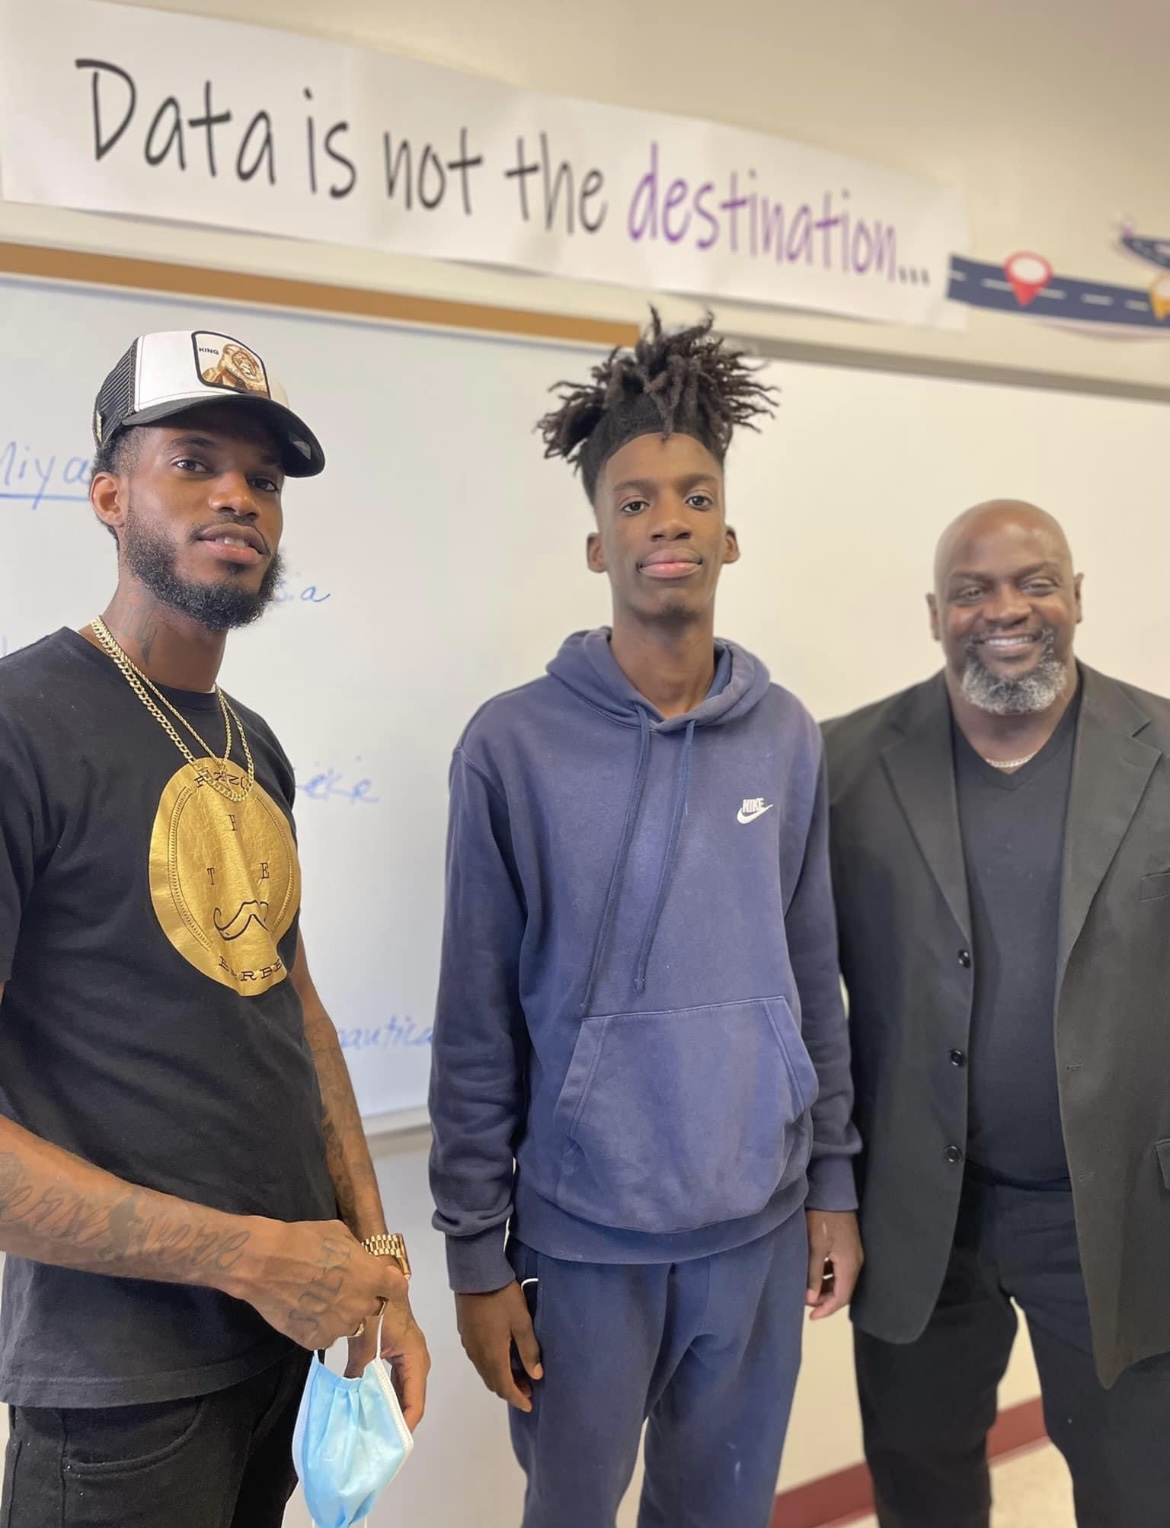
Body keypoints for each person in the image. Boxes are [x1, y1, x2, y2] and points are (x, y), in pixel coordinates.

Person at [429, 312, 861, 1528]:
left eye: (692, 494)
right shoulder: (509, 746)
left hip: (761, 1230)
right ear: (594, 541)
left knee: (719, 1513)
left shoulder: (786, 735)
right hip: (582, 1241)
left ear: (729, 528)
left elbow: (812, 974)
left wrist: (834, 1183)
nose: (665, 519)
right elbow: (474, 1022)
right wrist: (477, 1256)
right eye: (633, 501)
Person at [0, 329, 429, 1528]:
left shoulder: (254, 743)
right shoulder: (19, 728)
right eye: (193, 461)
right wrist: (250, 1257)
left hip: (286, 1352)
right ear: (107, 495)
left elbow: (297, 1014)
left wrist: (379, 1271)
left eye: (265, 479)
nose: (238, 496)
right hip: (121, 1394)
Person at [824, 500, 1170, 1528]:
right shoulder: (842, 766)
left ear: (1077, 598)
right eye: (972, 590)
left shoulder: (1163, 751)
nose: (1006, 608)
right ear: (935, 612)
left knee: (1140, 1489)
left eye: (1034, 581)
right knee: (920, 1483)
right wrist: (823, 1186)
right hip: (919, 1216)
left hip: (1113, 1213)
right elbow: (802, 994)